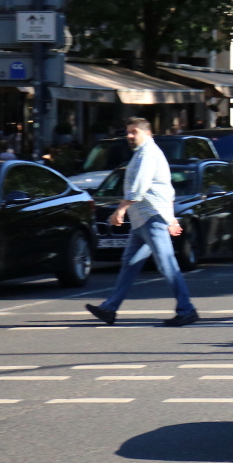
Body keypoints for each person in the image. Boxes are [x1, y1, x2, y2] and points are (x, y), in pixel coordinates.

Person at [86, 117, 198, 327]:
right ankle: (110, 308)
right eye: (128, 132)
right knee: (130, 264)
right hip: (143, 219)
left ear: (147, 133)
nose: (129, 136)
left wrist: (120, 210)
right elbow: (166, 189)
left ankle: (186, 309)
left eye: (134, 131)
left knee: (167, 264)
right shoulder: (143, 153)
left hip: (151, 217)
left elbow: (139, 187)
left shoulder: (148, 153)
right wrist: (171, 218)